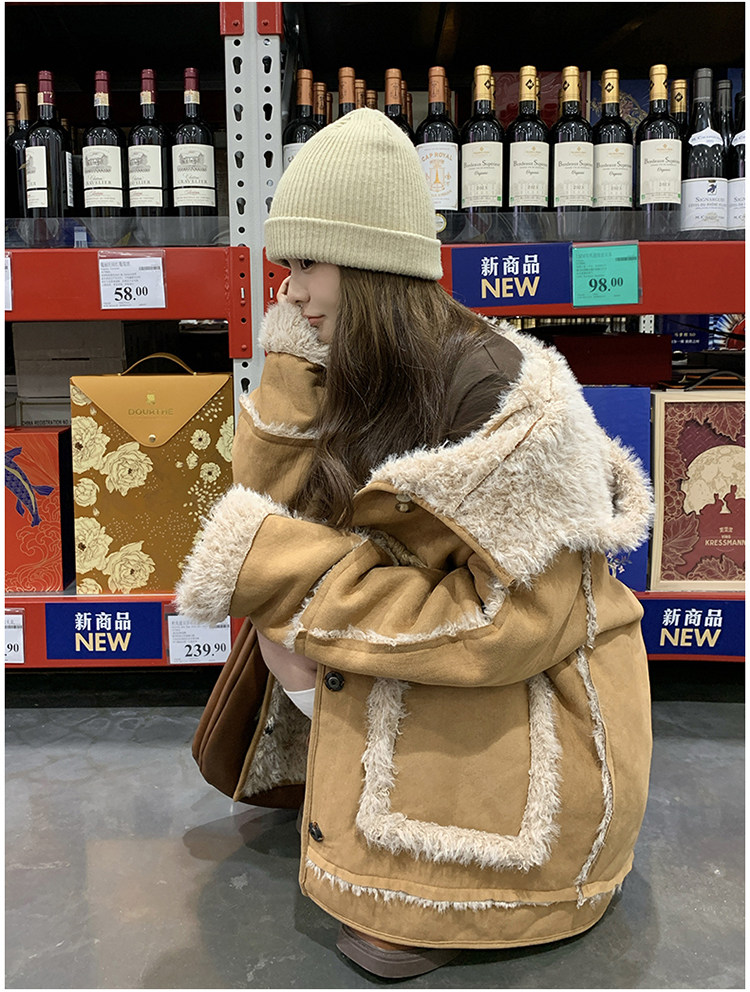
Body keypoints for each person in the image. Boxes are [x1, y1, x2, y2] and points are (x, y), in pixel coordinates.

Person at [176, 107, 654, 979]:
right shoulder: (368, 363)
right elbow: (263, 506)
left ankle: (452, 887)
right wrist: (295, 357)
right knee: (279, 608)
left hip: (537, 697)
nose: (288, 291)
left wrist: (310, 594)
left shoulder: (496, 393)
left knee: (288, 601)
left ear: (369, 262)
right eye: (285, 268)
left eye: (307, 265)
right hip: (450, 652)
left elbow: (517, 622)